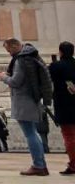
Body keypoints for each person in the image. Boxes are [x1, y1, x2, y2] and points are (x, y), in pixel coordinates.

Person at [0, 37, 50, 176]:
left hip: (23, 101)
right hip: (31, 100)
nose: (8, 53)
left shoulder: (21, 60)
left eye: (8, 49)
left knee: (30, 134)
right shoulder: (31, 56)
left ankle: (38, 165)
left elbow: (16, 82)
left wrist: (3, 77)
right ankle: (41, 165)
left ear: (14, 46)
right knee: (33, 133)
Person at [48, 41, 75, 175]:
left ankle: (74, 164)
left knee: (69, 137)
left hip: (64, 106)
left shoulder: (55, 66)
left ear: (61, 52)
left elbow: (48, 80)